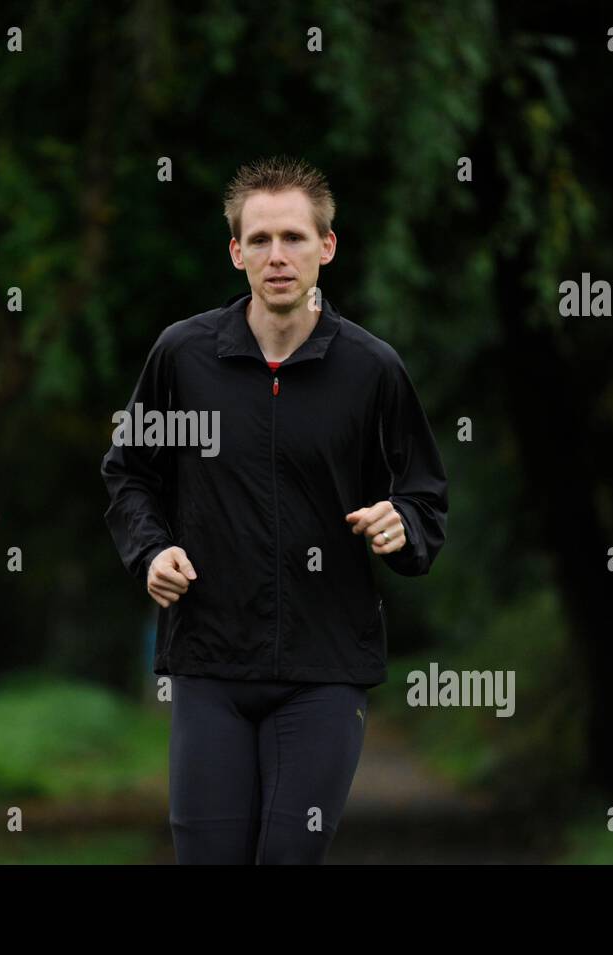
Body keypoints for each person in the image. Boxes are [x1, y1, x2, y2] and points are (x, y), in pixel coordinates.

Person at [101, 156, 448, 864]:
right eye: (259, 240)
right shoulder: (183, 355)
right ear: (235, 252)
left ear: (327, 246)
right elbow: (130, 473)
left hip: (325, 669)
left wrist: (401, 524)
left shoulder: (371, 368)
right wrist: (151, 550)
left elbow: (424, 495)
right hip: (209, 664)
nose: (277, 255)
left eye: (293, 237)